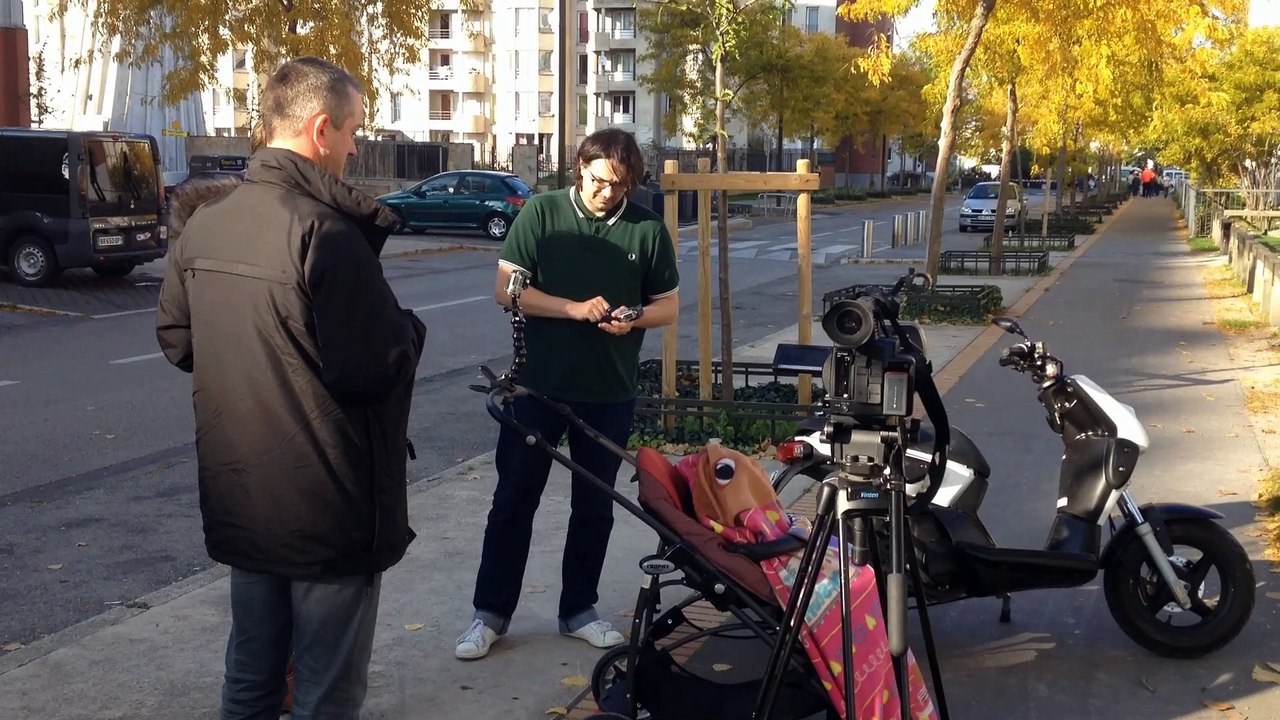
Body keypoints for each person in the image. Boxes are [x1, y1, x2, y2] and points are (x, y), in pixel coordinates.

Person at [155, 56, 426, 719]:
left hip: (244, 497)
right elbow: (372, 367)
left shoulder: (208, 224)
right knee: (324, 695)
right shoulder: (325, 231)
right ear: (321, 128)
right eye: (354, 130)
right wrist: (408, 331)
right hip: (326, 508)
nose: (357, 147)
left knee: (250, 680)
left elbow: (179, 341)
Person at [455, 128, 681, 660]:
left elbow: (668, 307)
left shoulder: (647, 229)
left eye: (620, 186)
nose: (607, 192)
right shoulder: (541, 213)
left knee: (594, 506)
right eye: (600, 180)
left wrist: (635, 318)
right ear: (581, 166)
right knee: (513, 501)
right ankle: (490, 614)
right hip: (537, 386)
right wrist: (573, 308)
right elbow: (506, 289)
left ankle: (579, 609)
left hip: (609, 390)